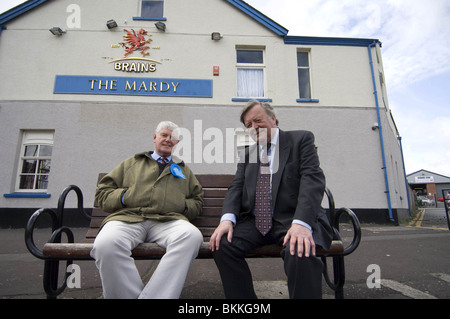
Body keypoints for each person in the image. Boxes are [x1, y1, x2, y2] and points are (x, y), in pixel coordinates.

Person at [209, 101, 333, 299]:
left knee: (299, 248)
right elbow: (236, 187)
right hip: (257, 222)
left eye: (258, 120)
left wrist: (302, 223)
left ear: (273, 119)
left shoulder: (300, 139)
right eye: (248, 125)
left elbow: (313, 180)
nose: (254, 127)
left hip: (292, 218)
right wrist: (227, 219)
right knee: (223, 245)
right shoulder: (247, 155)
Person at [91, 121, 204, 299]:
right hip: (128, 219)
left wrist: (182, 205)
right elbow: (103, 193)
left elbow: (197, 200)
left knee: (192, 236)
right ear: (154, 138)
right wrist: (125, 196)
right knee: (105, 244)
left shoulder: (183, 170)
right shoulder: (132, 163)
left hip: (168, 221)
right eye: (164, 135)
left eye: (173, 138)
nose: (168, 140)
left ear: (177, 143)